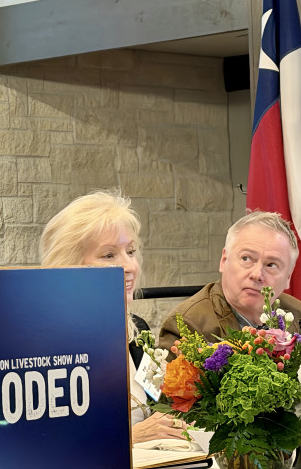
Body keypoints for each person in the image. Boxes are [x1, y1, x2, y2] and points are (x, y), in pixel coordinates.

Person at [39, 189, 187, 444]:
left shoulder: (137, 329)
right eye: (109, 255)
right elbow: (48, 443)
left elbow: (157, 404)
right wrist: (132, 437)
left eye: (131, 251)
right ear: (69, 266)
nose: (129, 266)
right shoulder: (47, 346)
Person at [159, 211, 301, 352]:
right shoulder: (187, 326)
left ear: (288, 277)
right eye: (246, 258)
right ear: (224, 260)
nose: (257, 274)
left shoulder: (298, 313)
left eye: (271, 265)